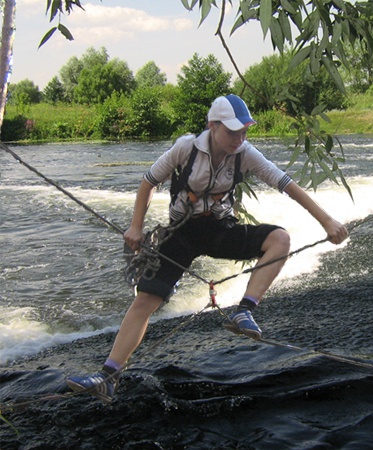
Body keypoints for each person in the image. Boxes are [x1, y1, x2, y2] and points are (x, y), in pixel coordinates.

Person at [66, 94, 348, 404]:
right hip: (181, 234)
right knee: (147, 299)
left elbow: (287, 185)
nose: (239, 139)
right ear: (212, 126)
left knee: (280, 239)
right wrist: (135, 227)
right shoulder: (185, 148)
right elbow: (148, 183)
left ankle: (245, 312)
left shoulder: (245, 153)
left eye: (244, 132)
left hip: (218, 230)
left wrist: (327, 221)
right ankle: (107, 377)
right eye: (232, 131)